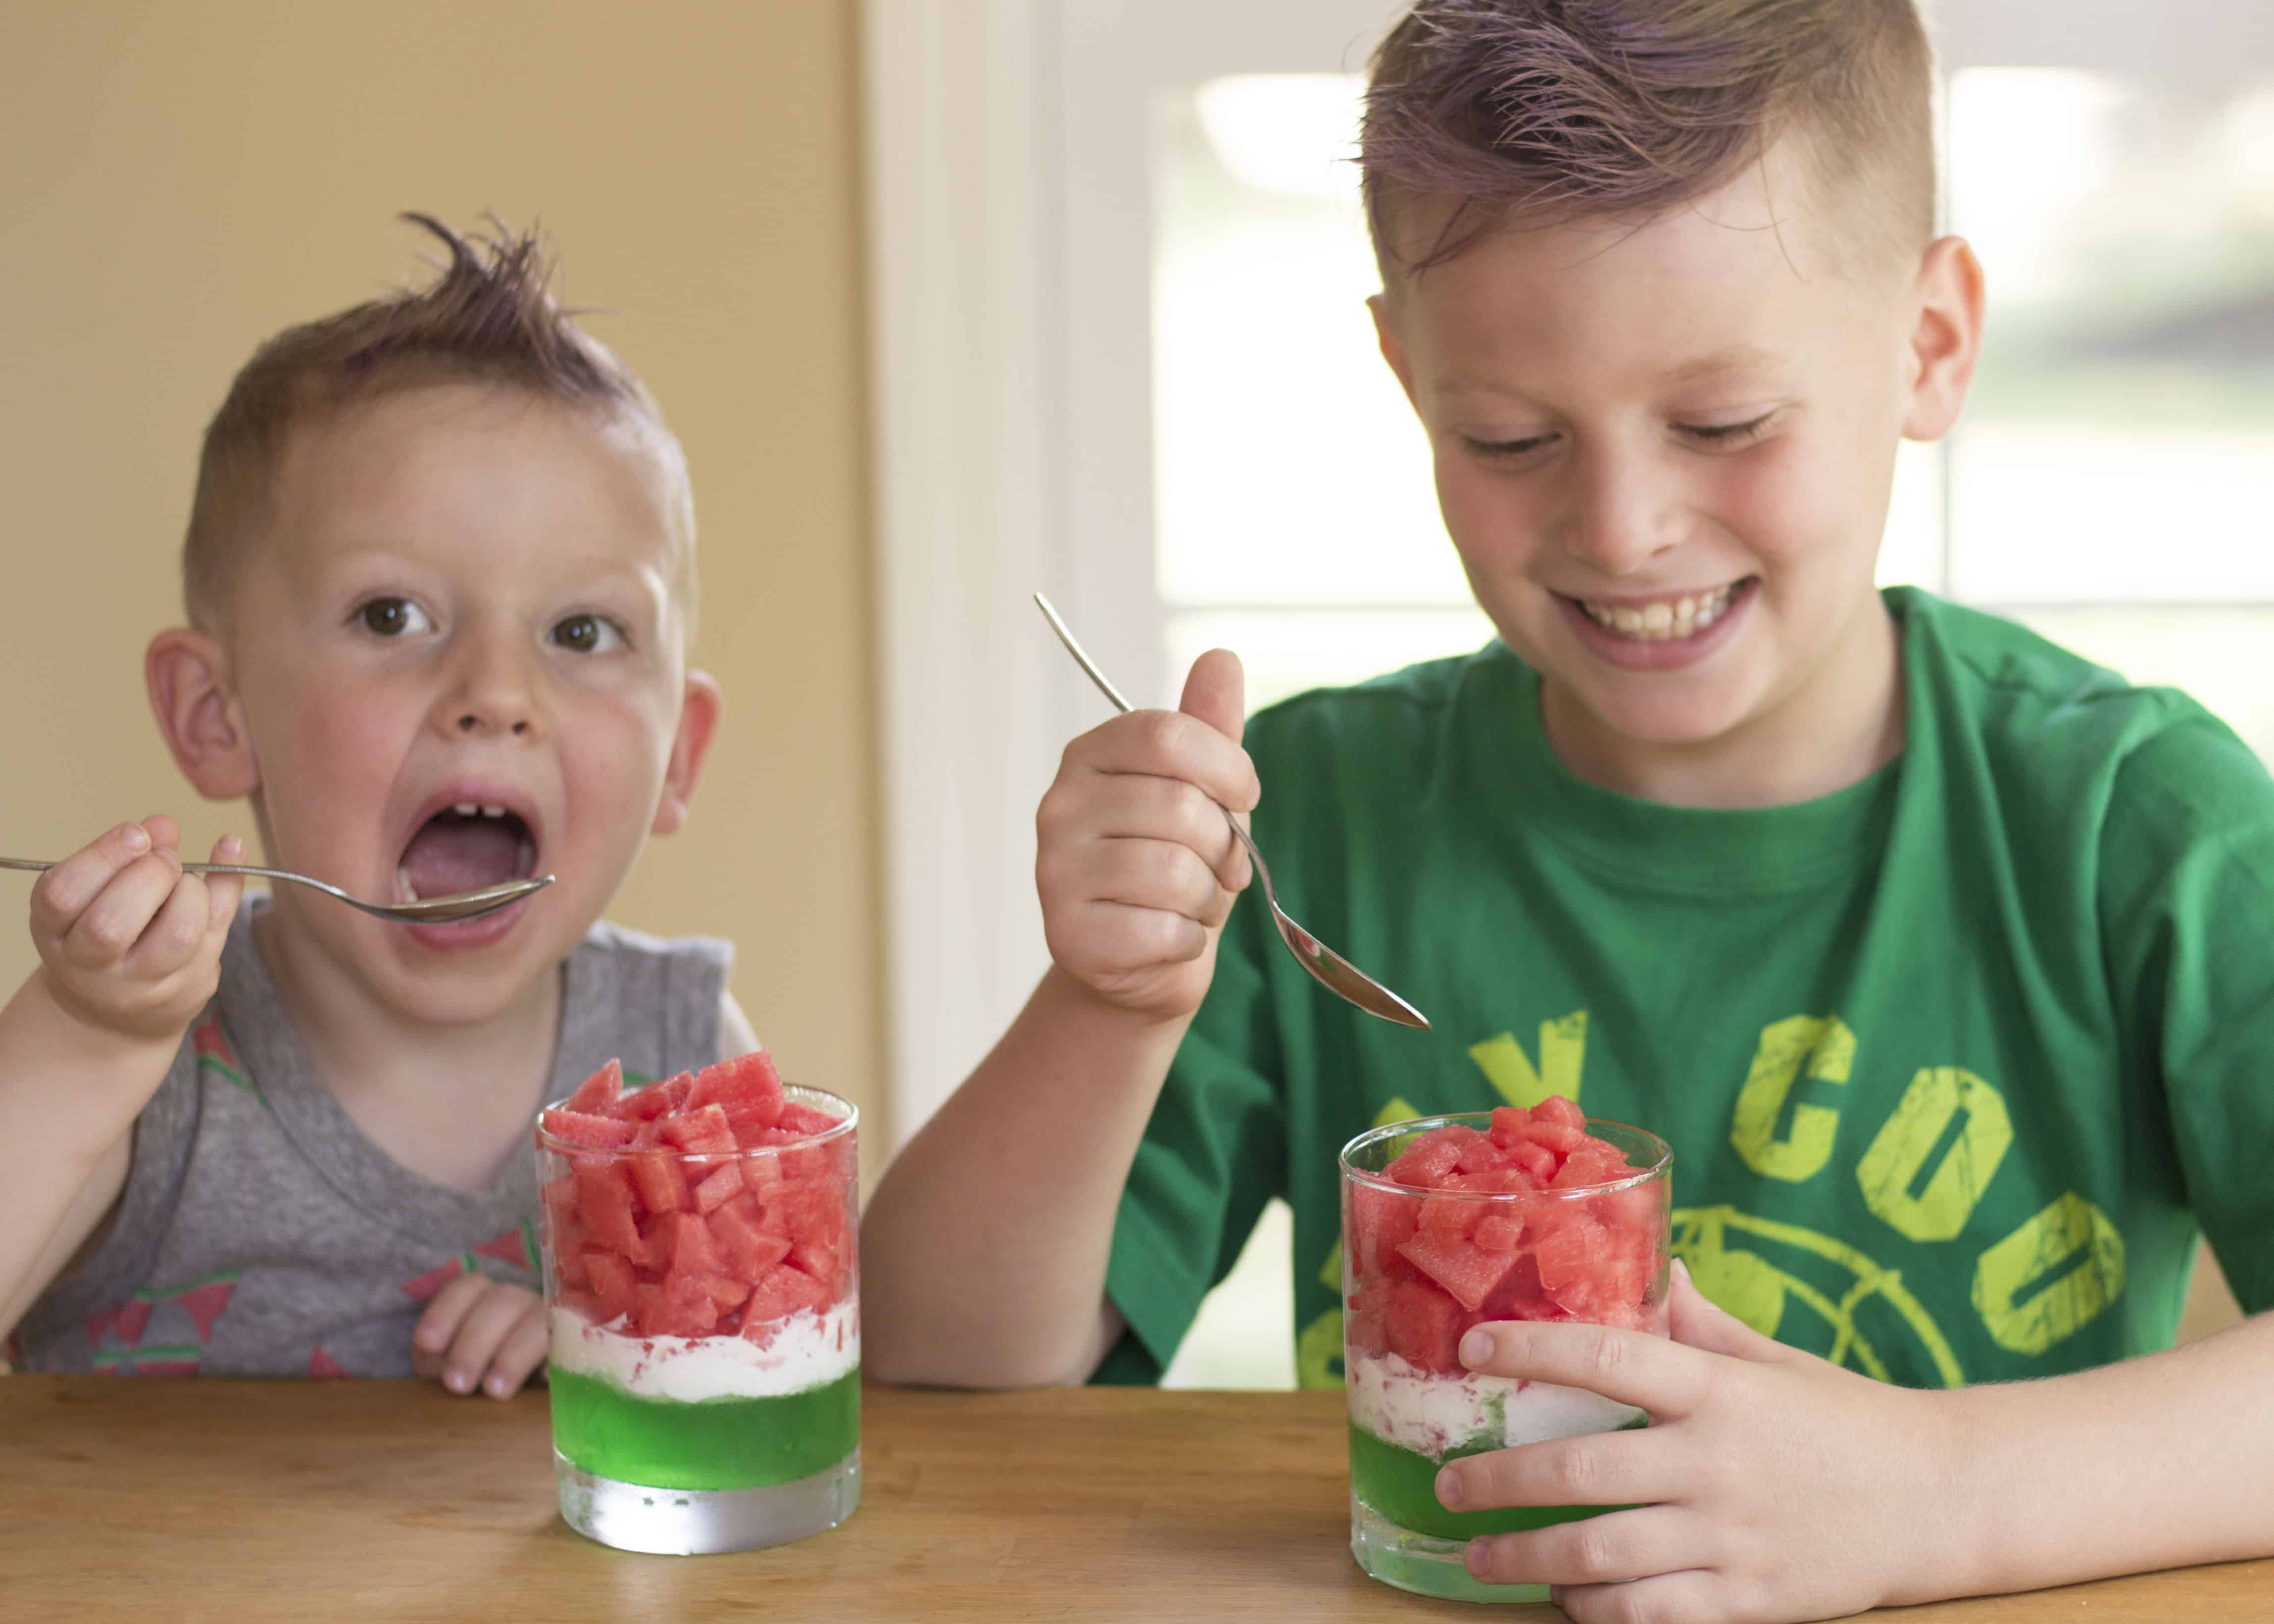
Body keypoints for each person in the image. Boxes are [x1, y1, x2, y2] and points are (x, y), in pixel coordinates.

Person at [864, 1, 2274, 1615]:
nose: (1622, 525)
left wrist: (1928, 1502)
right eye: (1511, 437)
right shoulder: (1314, 822)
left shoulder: (2130, 824)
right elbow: (933, 1382)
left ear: (1927, 347)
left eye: (1722, 424)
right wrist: (1106, 1004)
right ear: (1405, 371)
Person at [0, 216, 748, 1398]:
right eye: (392, 617)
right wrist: (86, 1040)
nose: (496, 695)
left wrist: (622, 1343)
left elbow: (784, 1360)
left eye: (582, 632)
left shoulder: (681, 1060)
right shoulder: (156, 1070)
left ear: (676, 760)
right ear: (215, 712)